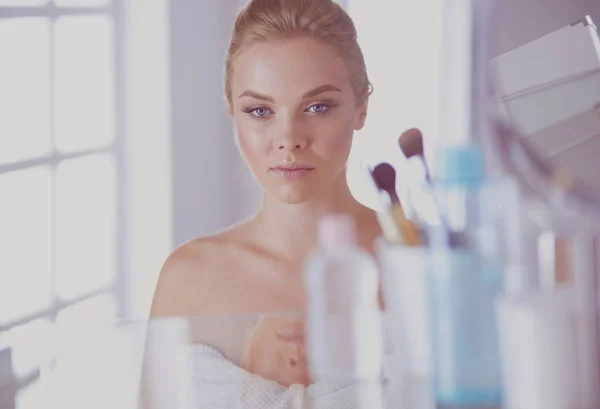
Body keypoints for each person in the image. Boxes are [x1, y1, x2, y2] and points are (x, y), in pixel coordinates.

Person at [150, 0, 381, 321]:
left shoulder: (426, 259)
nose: (289, 138)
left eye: (317, 107)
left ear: (361, 108)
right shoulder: (188, 279)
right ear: (232, 111)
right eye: (260, 111)